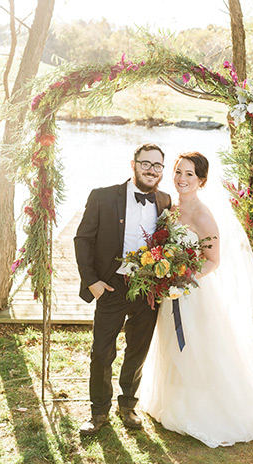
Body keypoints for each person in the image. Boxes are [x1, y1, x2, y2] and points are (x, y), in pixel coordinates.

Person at [139, 151, 253, 448]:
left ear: (202, 180)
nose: (181, 178)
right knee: (170, 345)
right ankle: (172, 401)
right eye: (178, 171)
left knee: (198, 349)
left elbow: (213, 261)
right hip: (171, 293)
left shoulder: (204, 216)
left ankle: (205, 410)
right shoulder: (169, 208)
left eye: (189, 174)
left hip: (194, 294)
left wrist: (181, 280)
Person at [74, 143, 171, 435]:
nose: (151, 170)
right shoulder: (103, 197)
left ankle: (128, 405)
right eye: (146, 163)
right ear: (133, 164)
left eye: (157, 166)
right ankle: (98, 411)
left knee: (138, 350)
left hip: (148, 289)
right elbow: (83, 240)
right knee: (102, 352)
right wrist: (92, 281)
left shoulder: (166, 202)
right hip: (112, 286)